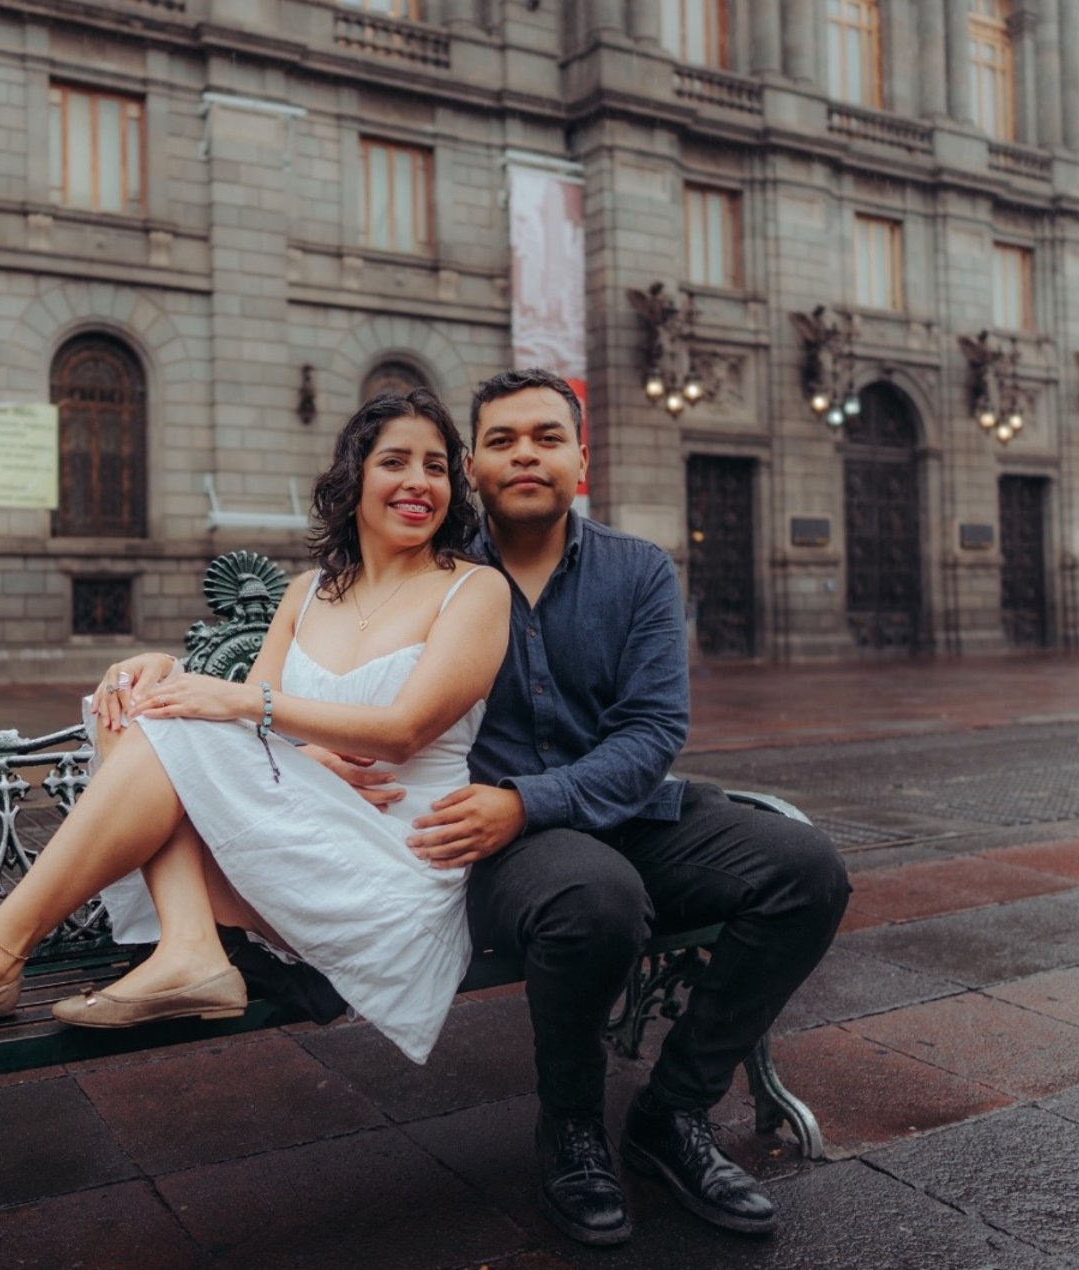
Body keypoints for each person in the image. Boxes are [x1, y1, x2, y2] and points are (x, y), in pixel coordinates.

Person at [334, 368, 851, 1244]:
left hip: (621, 812)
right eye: (501, 441)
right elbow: (331, 660)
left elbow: (653, 730)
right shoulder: (435, 578)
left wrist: (533, 799)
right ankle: (572, 1128)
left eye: (546, 438)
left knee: (807, 870)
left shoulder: (638, 571)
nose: (524, 456)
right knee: (595, 897)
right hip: (501, 847)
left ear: (582, 459)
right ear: (472, 466)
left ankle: (671, 1112)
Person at [0, 388, 510, 1065]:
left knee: (176, 723)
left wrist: (249, 707)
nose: (418, 482)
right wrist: (163, 668)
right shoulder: (307, 592)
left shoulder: (473, 589)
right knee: (135, 698)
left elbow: (403, 730)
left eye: (436, 467)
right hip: (308, 835)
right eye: (395, 461)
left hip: (396, 867)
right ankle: (187, 947)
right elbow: (251, 731)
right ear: (353, 477)